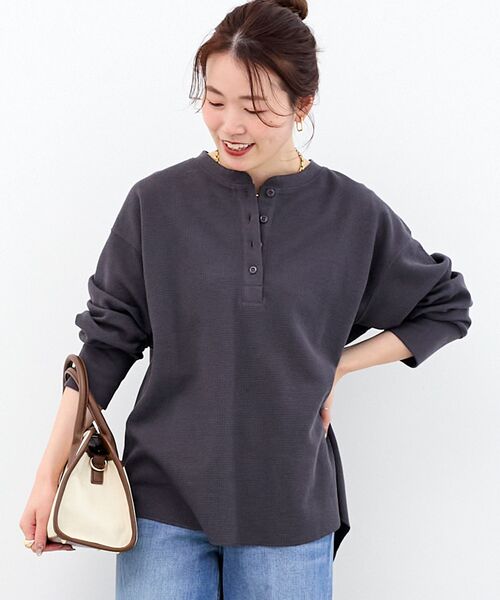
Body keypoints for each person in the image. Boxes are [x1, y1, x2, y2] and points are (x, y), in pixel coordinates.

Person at [19, 0, 473, 598]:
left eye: (255, 108)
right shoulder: (156, 204)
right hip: (161, 507)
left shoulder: (353, 215)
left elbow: (445, 305)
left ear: (303, 105)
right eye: (215, 101)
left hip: (289, 508)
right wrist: (48, 473)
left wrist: (337, 365)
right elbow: (104, 346)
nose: (231, 125)